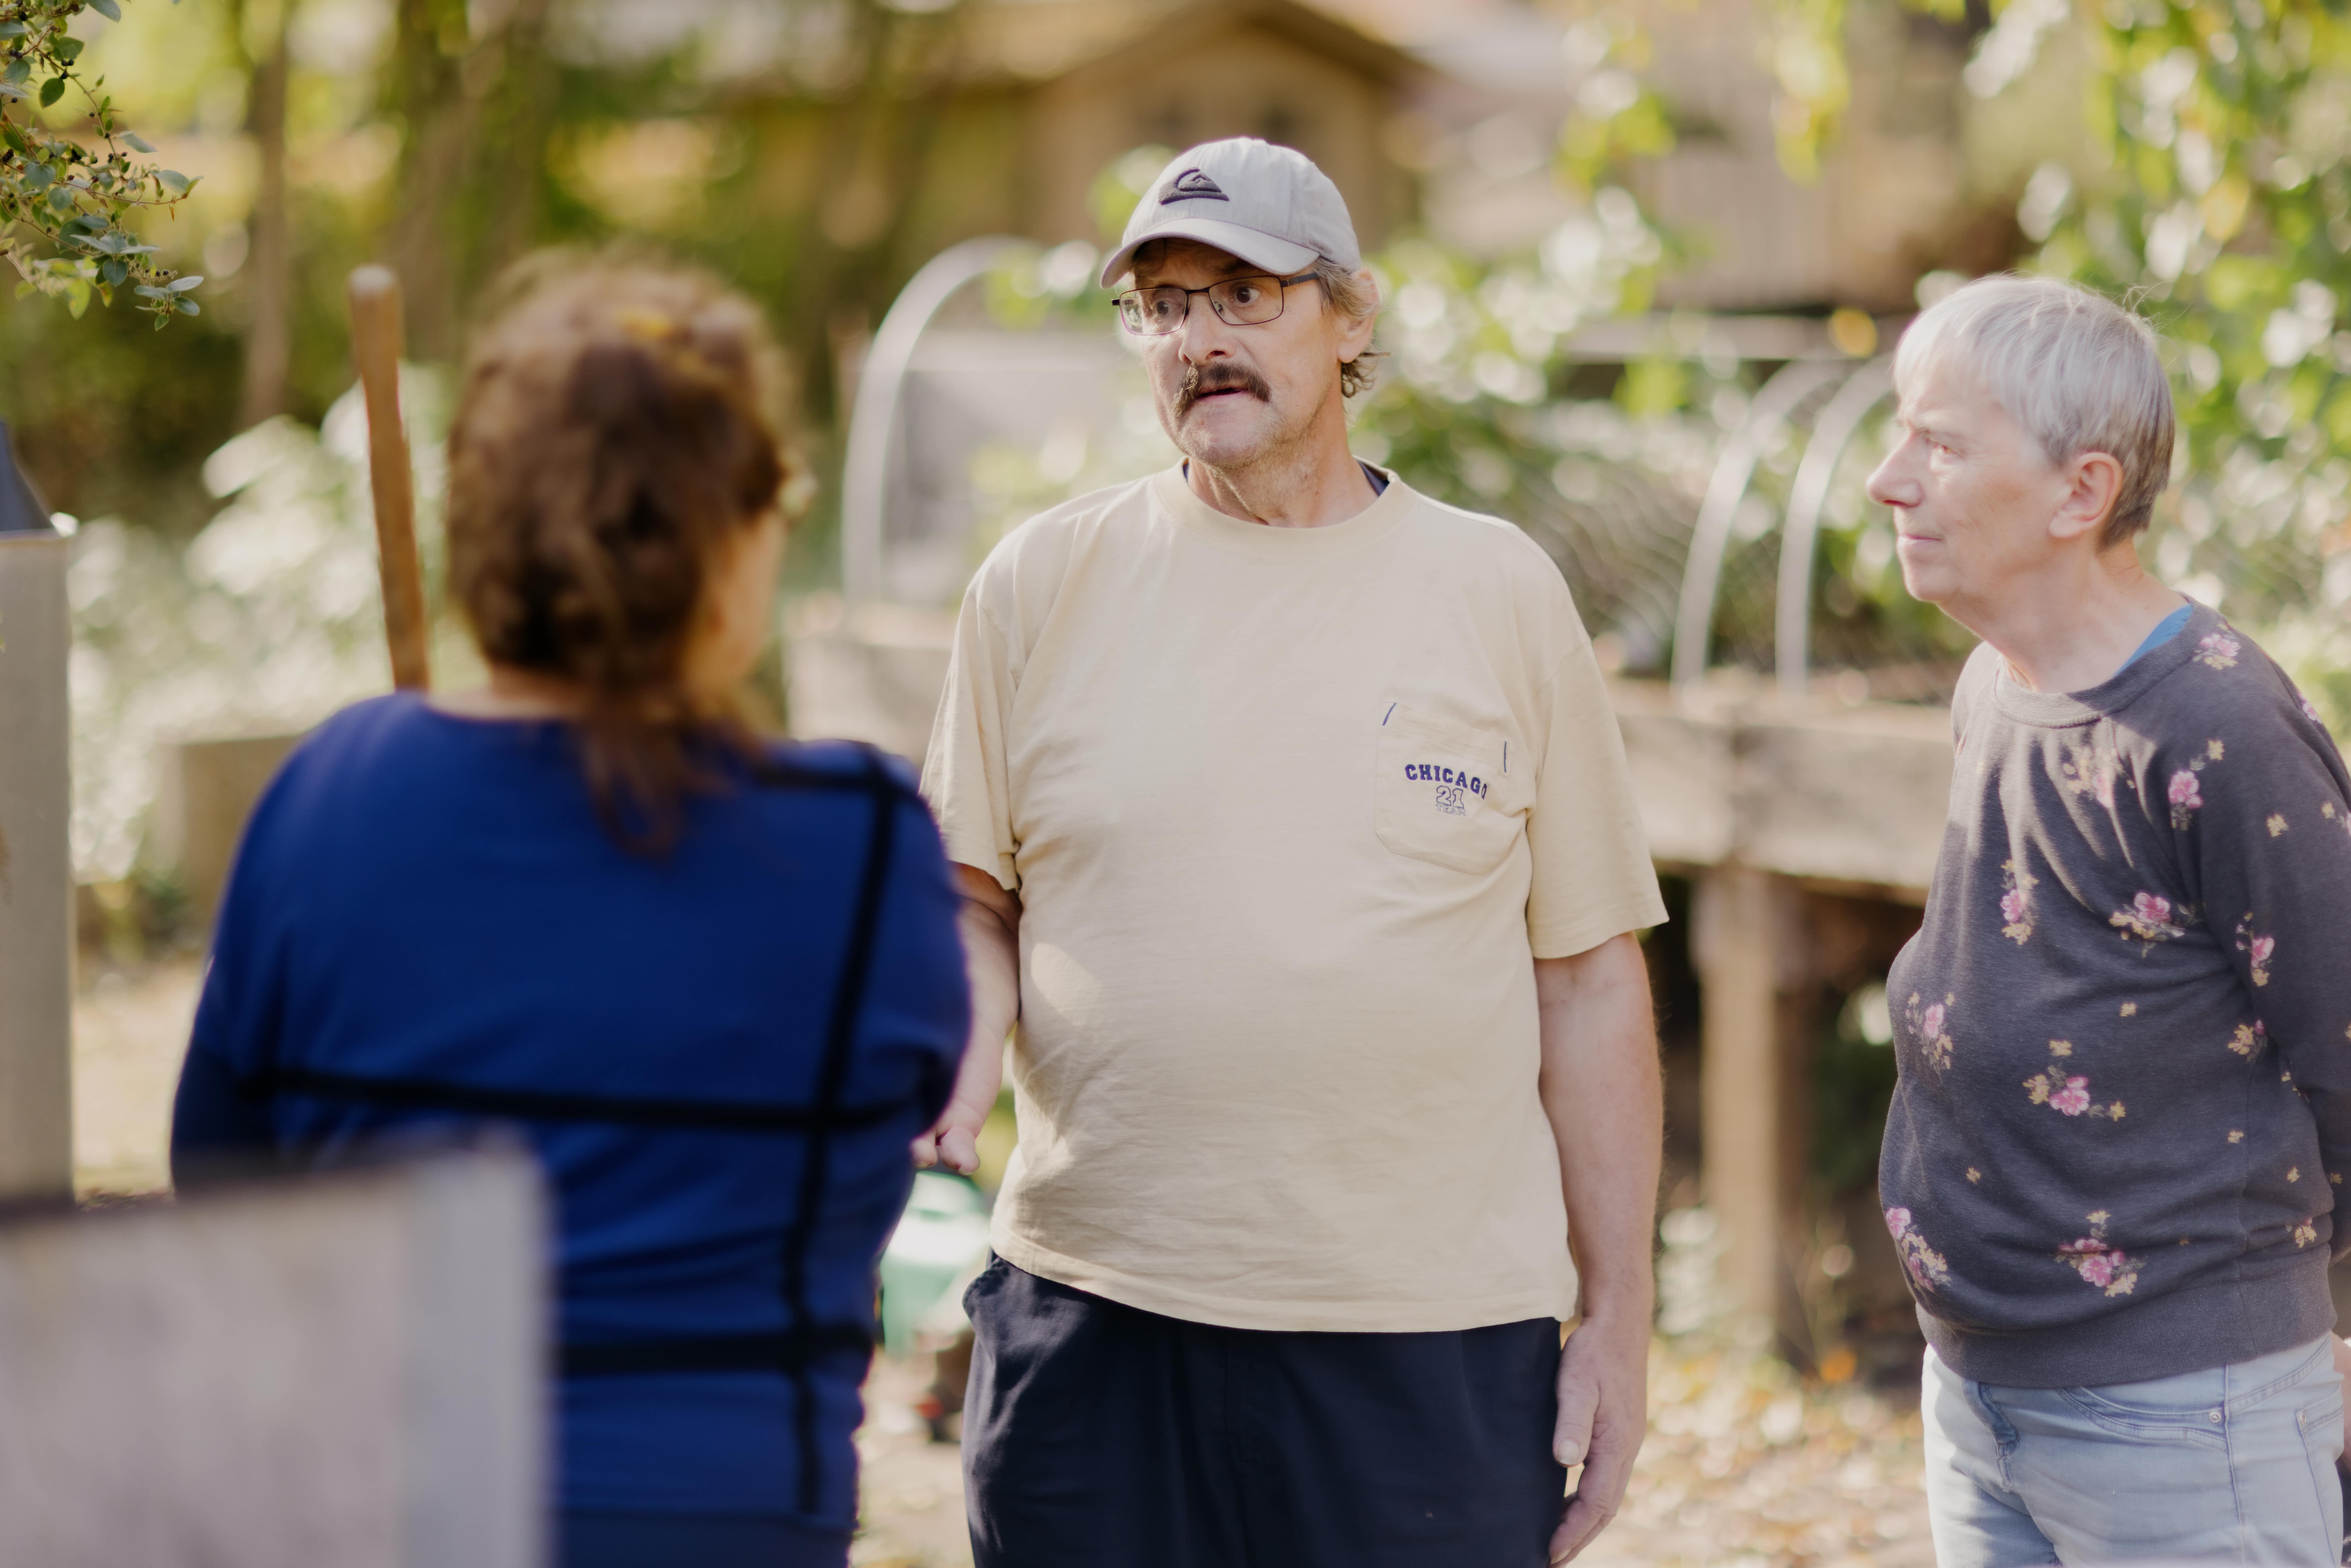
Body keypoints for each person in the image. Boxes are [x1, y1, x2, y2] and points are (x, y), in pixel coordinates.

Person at [915, 137, 1668, 1567]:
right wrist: (955, 1052)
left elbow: (1587, 981)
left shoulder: (1495, 589)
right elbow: (973, 905)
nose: (1196, 339)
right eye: (1160, 305)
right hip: (1094, 1321)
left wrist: (1617, 1322)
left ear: (1350, 315)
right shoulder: (1037, 585)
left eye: (1243, 293)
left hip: (1423, 1346)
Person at [170, 260, 970, 1568]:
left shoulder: (331, 793)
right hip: (722, 1522)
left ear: (489, 525)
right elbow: (893, 1131)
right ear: (730, 540)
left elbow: (225, 1187)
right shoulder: (859, 838)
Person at [1866, 274, 2351, 1566]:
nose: (1885, 480)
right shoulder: (1990, 683)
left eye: (1939, 444)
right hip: (1976, 1395)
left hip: (2188, 1418)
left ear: (2080, 494)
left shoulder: (2219, 725)